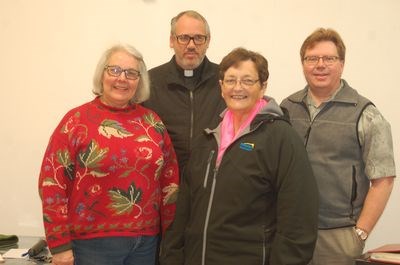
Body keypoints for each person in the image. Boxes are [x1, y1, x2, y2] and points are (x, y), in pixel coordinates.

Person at [160, 47, 319, 265]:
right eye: (231, 80)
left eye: (247, 81)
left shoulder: (281, 139)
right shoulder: (207, 139)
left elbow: (299, 218)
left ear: (263, 87)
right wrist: (172, 256)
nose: (237, 88)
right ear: (221, 87)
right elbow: (184, 211)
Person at [38, 44, 179, 265]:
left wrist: (170, 235)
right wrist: (59, 245)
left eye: (132, 73)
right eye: (114, 70)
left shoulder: (152, 123)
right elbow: (52, 183)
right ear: (102, 74)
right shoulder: (76, 121)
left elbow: (170, 178)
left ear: (140, 81)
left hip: (146, 243)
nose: (122, 78)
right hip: (90, 246)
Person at [281, 28, 396, 265]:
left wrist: (359, 233)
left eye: (329, 58)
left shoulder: (366, 113)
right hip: (289, 232)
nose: (320, 65)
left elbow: (383, 179)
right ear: (303, 64)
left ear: (341, 64)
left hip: (338, 237)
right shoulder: (287, 108)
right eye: (312, 59)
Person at [142, 10, 226, 176]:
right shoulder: (149, 81)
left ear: (208, 41)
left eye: (199, 38)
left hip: (213, 180)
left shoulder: (225, 80)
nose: (191, 45)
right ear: (172, 40)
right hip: (164, 179)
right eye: (184, 37)